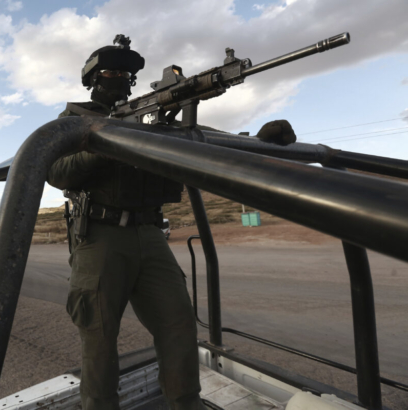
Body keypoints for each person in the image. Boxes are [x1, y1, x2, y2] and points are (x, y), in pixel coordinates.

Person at [47, 35, 295, 410]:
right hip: (99, 237)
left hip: (150, 234)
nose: (119, 79)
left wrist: (257, 143)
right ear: (93, 79)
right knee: (98, 339)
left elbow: (198, 142)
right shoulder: (71, 122)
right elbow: (55, 171)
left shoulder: (151, 121)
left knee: (178, 324)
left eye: (127, 74)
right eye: (111, 71)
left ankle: (185, 403)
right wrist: (110, 140)